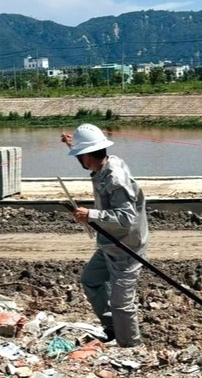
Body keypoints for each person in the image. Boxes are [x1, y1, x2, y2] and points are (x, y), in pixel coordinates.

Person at [62, 124, 148, 347]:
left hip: (127, 249)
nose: (80, 159)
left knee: (121, 304)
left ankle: (131, 347)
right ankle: (112, 327)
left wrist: (91, 214)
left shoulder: (115, 179)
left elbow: (126, 218)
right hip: (110, 242)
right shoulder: (105, 162)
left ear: (88, 155)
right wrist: (75, 145)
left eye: (80, 155)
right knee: (91, 280)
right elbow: (91, 157)